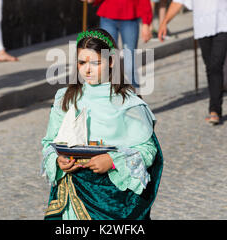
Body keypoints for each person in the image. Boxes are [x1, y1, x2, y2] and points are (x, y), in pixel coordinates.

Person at [41, 29, 163, 220]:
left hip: (111, 199)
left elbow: (148, 150)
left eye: (95, 63)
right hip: (73, 195)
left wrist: (113, 160)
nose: (87, 70)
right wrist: (58, 161)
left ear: (111, 61)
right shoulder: (65, 98)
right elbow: (49, 143)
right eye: (82, 62)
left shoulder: (128, 104)